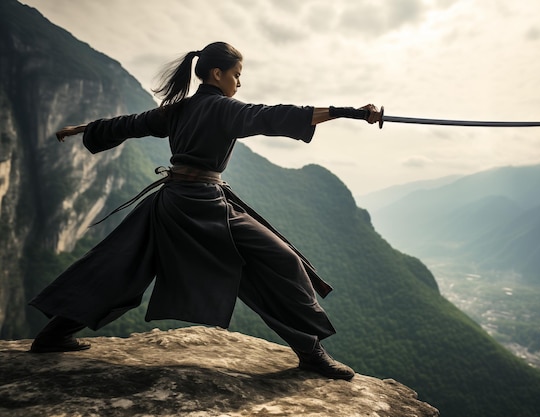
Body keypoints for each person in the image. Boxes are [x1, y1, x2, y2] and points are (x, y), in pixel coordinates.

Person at [28, 41, 381, 381]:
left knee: (122, 264)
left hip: (172, 203)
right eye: (237, 74)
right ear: (217, 73)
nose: (239, 82)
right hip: (203, 206)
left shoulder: (178, 110)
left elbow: (130, 124)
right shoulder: (224, 109)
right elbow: (276, 117)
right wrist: (351, 112)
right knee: (281, 261)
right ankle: (310, 353)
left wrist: (86, 129)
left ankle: (54, 334)